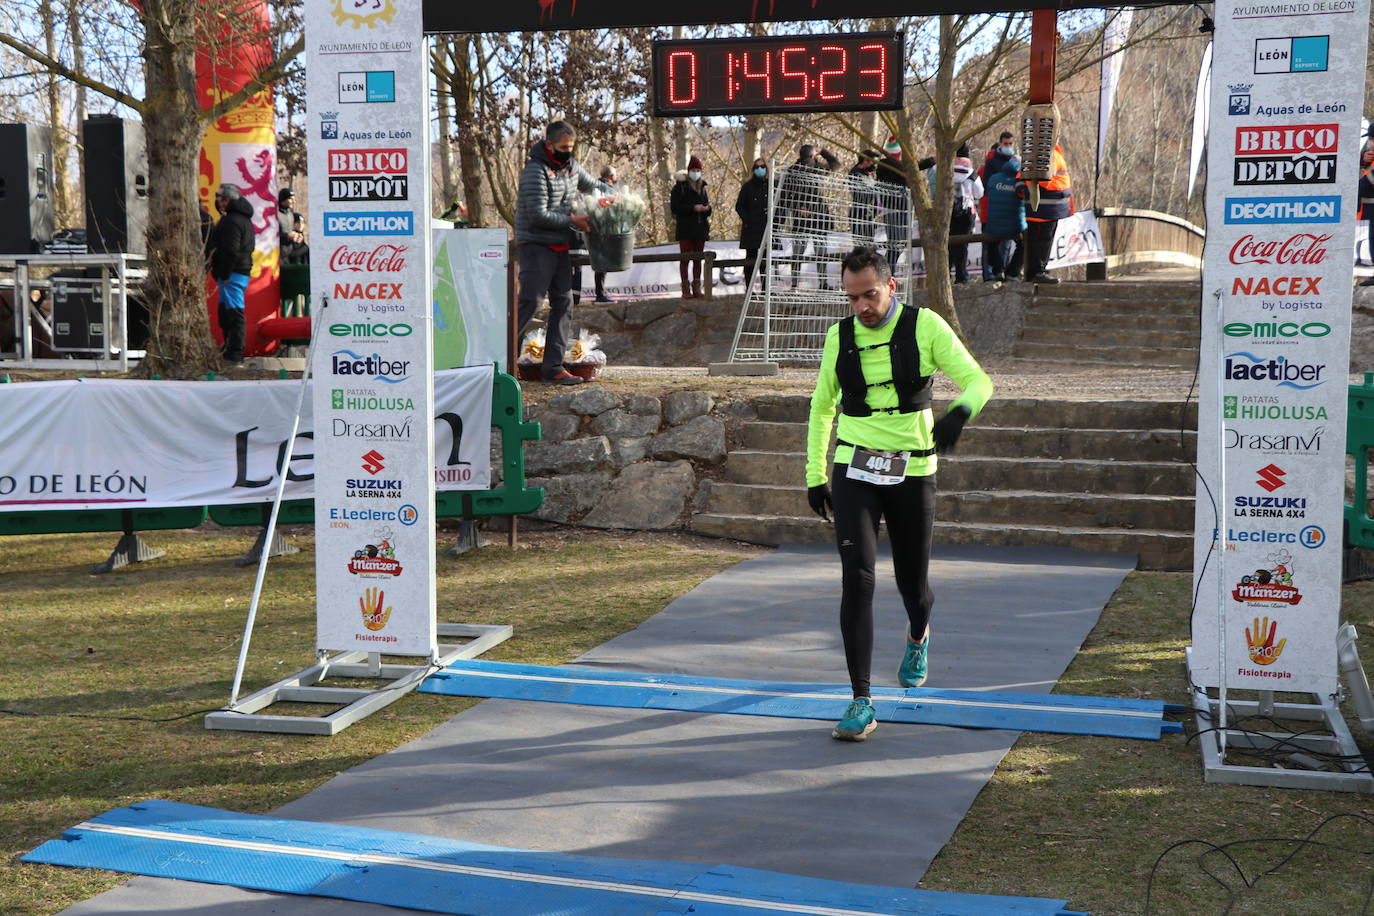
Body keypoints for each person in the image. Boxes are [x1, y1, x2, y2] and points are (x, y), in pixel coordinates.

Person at [804, 246, 993, 742]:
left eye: (870, 294)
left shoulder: (924, 325)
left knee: (913, 585)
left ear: (891, 287)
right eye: (853, 298)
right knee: (858, 578)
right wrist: (814, 475)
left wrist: (957, 414)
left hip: (912, 470)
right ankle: (861, 700)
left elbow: (979, 379)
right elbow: (822, 407)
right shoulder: (838, 337)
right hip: (855, 466)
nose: (862, 306)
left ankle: (918, 632)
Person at [515, 120, 598, 385]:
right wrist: (573, 220)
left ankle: (553, 368)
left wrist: (618, 199)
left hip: (561, 246)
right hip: (535, 245)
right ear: (549, 145)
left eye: (571, 147)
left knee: (564, 303)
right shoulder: (534, 171)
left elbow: (594, 186)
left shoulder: (571, 167)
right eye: (563, 147)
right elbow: (538, 215)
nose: (568, 152)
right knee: (531, 302)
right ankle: (501, 360)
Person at [778, 144, 840, 289]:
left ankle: (794, 284)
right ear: (813, 155)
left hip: (800, 219)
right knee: (820, 253)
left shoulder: (792, 171)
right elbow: (836, 164)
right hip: (819, 216)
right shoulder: (816, 167)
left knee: (797, 254)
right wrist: (823, 151)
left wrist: (798, 208)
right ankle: (823, 283)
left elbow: (784, 197)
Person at [206, 183, 255, 364]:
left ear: (227, 200)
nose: (217, 201)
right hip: (238, 271)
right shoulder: (244, 219)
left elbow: (230, 250)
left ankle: (234, 353)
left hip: (232, 272)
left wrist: (223, 272)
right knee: (225, 312)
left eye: (220, 197)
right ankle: (229, 349)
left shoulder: (231, 221)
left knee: (233, 313)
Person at [873, 136, 936, 278]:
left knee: (898, 244)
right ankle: (887, 272)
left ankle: (888, 272)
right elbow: (913, 167)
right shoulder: (888, 165)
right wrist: (930, 161)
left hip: (899, 208)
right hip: (896, 208)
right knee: (896, 244)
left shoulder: (892, 165)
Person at [1017, 143, 1072, 285]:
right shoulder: (1050, 154)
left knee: (1037, 239)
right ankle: (1038, 272)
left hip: (1042, 206)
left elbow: (1021, 178)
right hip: (1046, 207)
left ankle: (1034, 272)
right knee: (1043, 240)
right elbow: (1045, 179)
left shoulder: (1032, 153)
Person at [978, 132, 1017, 280]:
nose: (1008, 147)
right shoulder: (991, 163)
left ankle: (1005, 272)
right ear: (1000, 143)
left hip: (1011, 211)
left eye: (1010, 144)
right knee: (992, 245)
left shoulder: (1016, 162)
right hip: (993, 210)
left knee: (1006, 246)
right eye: (1005, 144)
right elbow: (987, 187)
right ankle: (992, 274)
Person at [671, 155, 712, 299]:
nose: (696, 173)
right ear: (688, 171)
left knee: (698, 259)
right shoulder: (679, 188)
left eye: (698, 170)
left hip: (700, 229)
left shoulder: (703, 187)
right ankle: (685, 288)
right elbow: (675, 208)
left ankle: (697, 287)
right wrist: (693, 208)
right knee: (685, 258)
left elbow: (707, 205)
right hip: (685, 229)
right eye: (693, 170)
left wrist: (707, 209)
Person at [982, 152, 1027, 282]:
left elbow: (987, 192)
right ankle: (1012, 272)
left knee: (992, 243)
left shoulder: (993, 178)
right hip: (1016, 226)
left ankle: (998, 270)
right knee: (1024, 244)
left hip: (993, 225)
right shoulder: (1021, 181)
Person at [735, 157, 770, 292]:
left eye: (762, 167)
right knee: (750, 259)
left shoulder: (772, 184)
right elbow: (739, 206)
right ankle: (749, 288)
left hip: (767, 228)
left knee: (766, 260)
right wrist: (747, 219)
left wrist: (777, 221)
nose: (760, 169)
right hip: (751, 229)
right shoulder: (747, 187)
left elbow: (781, 205)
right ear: (753, 170)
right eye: (757, 167)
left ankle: (766, 288)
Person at [947, 156, 983, 284]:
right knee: (963, 245)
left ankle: (946, 275)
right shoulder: (972, 174)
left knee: (949, 244)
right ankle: (961, 276)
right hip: (966, 212)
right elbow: (980, 193)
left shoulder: (947, 170)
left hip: (949, 212)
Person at [591, 165, 618, 302]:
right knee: (601, 263)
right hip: (604, 229)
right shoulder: (607, 189)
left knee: (600, 263)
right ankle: (600, 294)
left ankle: (600, 293)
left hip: (596, 229)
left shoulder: (594, 187)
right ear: (611, 176)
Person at [848, 151, 880, 244]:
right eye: (872, 162)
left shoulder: (868, 174)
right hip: (860, 214)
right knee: (861, 246)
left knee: (870, 244)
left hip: (869, 214)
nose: (874, 165)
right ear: (865, 161)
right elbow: (863, 194)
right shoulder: (855, 174)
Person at [1359, 130, 1374, 285]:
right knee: (1372, 239)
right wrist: (1363, 161)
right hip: (1369, 206)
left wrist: (1356, 187)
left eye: (1372, 138)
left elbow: (1367, 180)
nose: (1370, 141)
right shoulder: (1369, 155)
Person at [277, 188, 308, 264]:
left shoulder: (290, 214)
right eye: (291, 199)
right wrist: (287, 236)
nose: (294, 202)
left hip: (288, 256)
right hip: (277, 255)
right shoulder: (275, 214)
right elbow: (271, 235)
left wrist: (297, 237)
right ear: (283, 199)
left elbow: (291, 231)